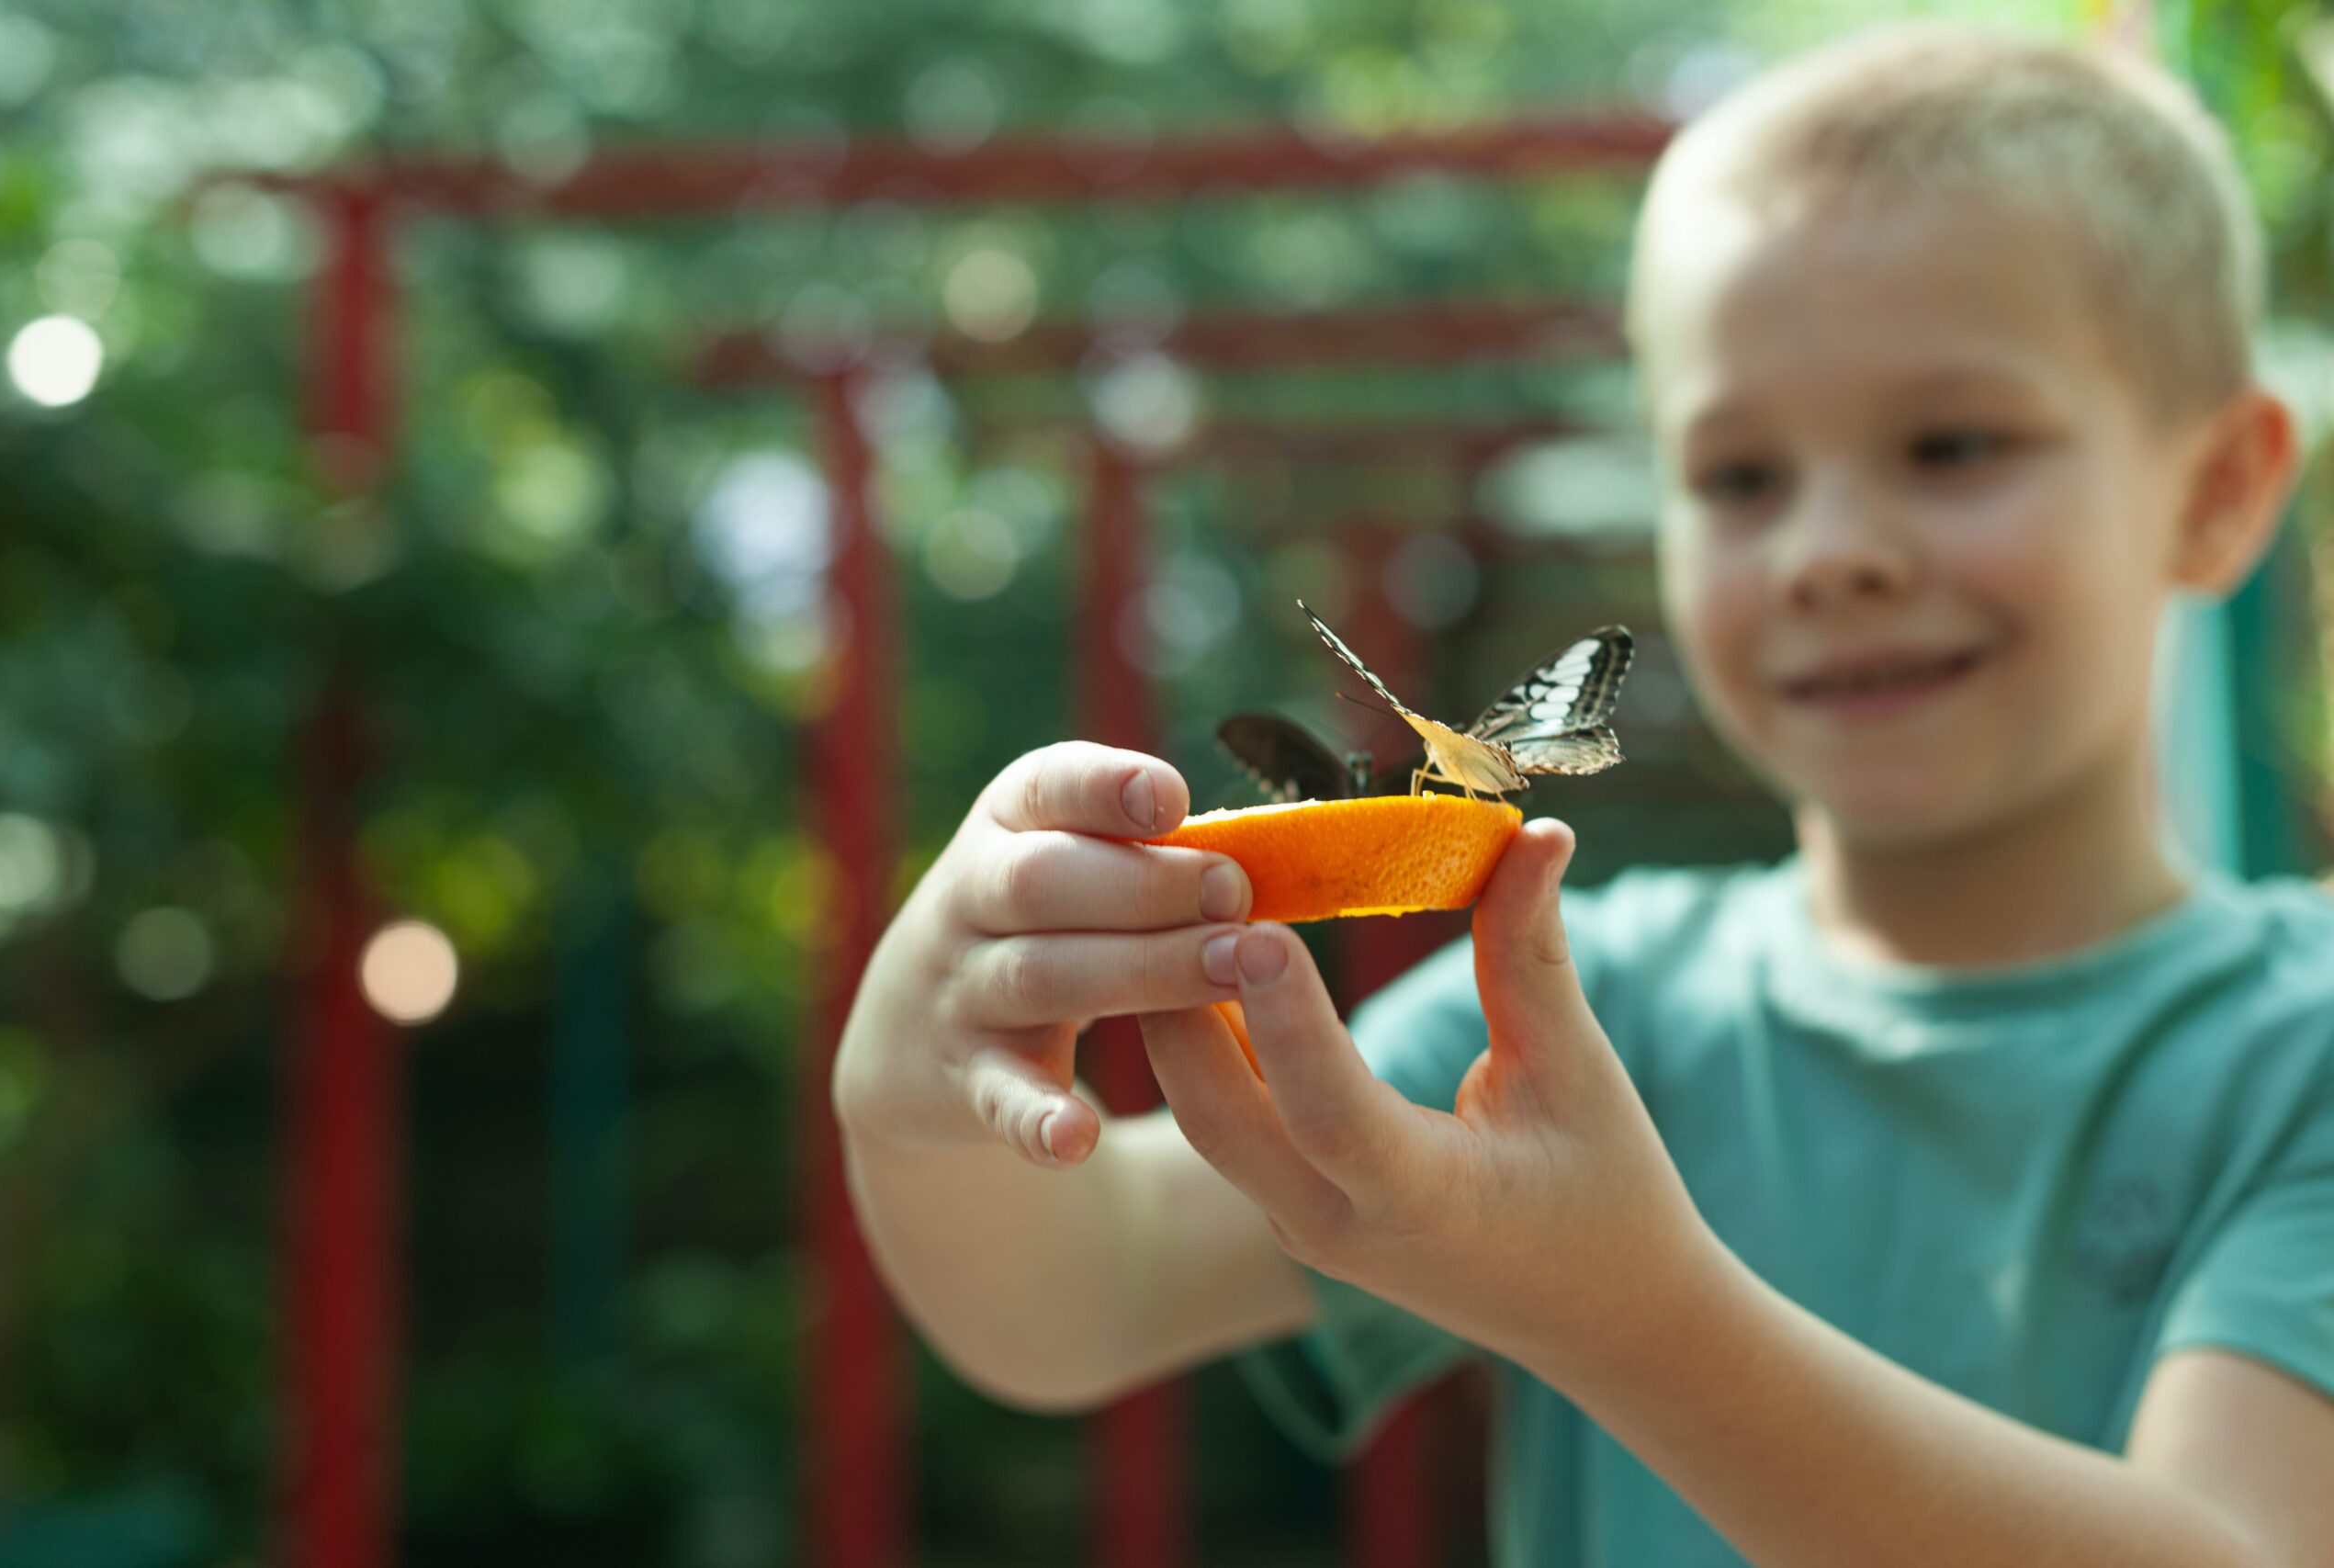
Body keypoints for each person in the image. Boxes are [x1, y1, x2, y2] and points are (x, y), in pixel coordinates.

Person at [830, 23, 2334, 1565]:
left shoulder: (2307, 1048)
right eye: (1741, 477)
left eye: (1951, 445)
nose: (1829, 553)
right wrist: (916, 1086)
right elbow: (1086, 1294)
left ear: (2216, 491)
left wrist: (1636, 1321)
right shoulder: (1578, 1005)